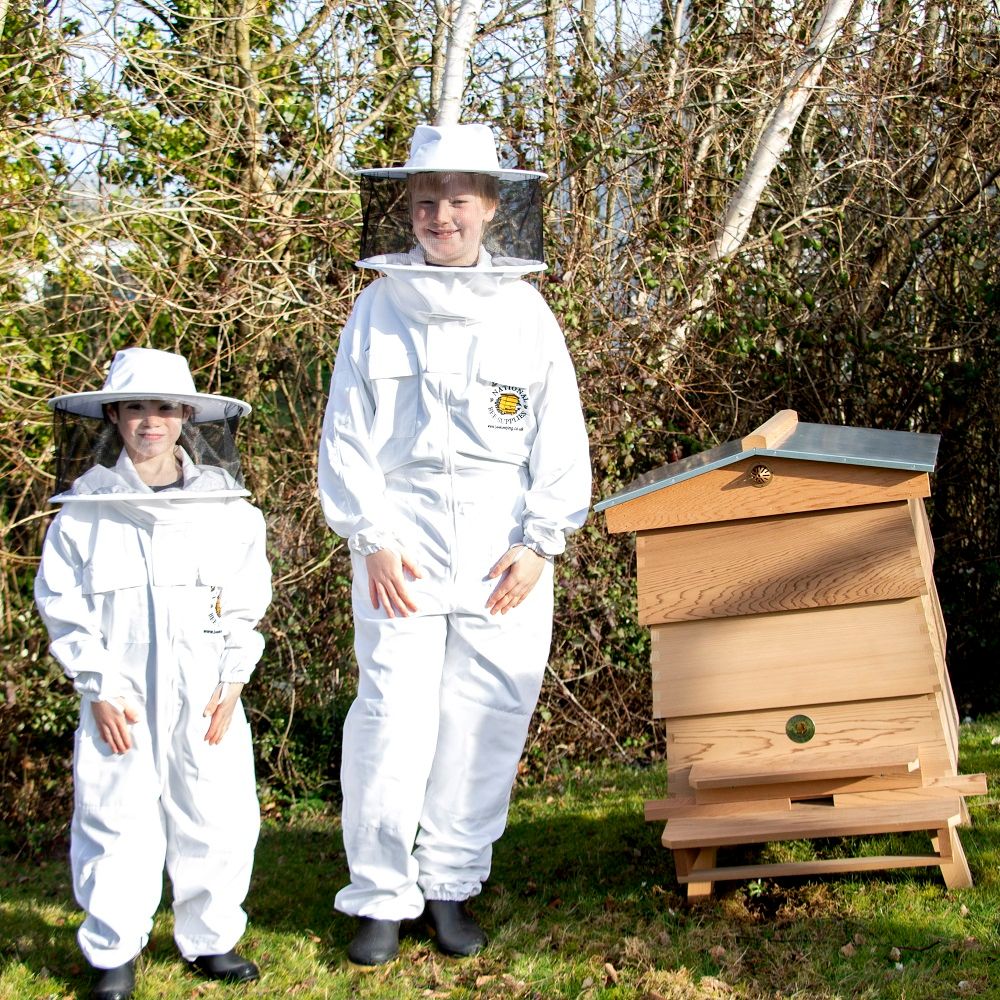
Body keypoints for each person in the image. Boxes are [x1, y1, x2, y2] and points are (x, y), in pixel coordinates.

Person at [318, 123, 591, 966]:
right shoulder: (375, 309)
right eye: (427, 201)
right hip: (398, 547)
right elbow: (347, 438)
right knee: (391, 718)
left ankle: (450, 886)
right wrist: (373, 538)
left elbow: (561, 439)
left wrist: (543, 541)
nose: (442, 216)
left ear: (492, 207)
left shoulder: (525, 313)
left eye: (459, 201)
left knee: (486, 716)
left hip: (501, 548)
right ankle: (379, 895)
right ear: (406, 209)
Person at [34, 347, 272, 1000]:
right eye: (136, 407)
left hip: (206, 694)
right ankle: (113, 951)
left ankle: (212, 940)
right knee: (116, 817)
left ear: (185, 417)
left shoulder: (228, 512)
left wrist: (232, 680)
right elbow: (62, 604)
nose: (150, 422)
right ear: (114, 416)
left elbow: (245, 602)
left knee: (217, 813)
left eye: (164, 408)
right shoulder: (83, 513)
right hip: (121, 696)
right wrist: (97, 685)